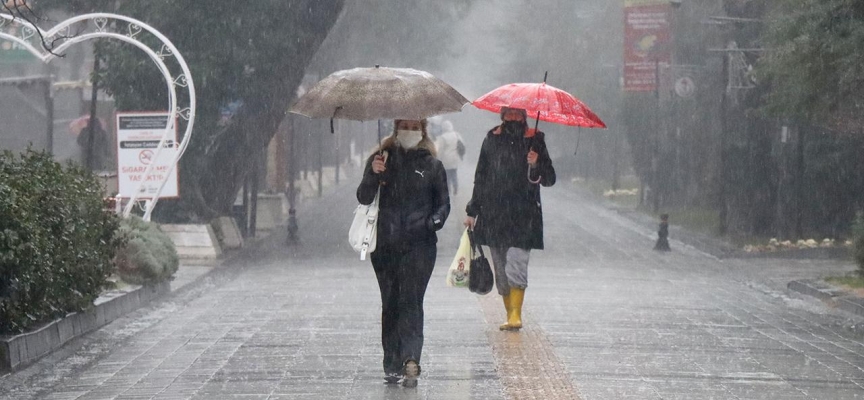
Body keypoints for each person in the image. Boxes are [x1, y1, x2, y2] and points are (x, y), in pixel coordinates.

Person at [356, 119, 450, 386]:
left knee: (411, 299)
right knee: (391, 302)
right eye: (404, 125)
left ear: (423, 129)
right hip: (385, 244)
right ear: (396, 128)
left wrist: (432, 222)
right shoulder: (381, 159)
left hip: (420, 246)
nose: (409, 130)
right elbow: (363, 196)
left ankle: (410, 358)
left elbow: (443, 204)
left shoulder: (432, 165)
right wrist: (373, 174)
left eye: (414, 125)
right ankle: (392, 362)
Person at [464, 107, 556, 331]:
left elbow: (549, 178)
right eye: (509, 113)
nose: (513, 118)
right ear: (502, 115)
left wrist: (536, 164)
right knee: (501, 268)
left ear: (524, 116)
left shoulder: (536, 139)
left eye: (518, 114)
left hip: (525, 215)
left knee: (516, 263)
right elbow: (481, 176)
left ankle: (516, 314)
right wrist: (472, 210)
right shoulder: (491, 138)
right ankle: (508, 313)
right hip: (494, 214)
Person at [434, 120, 466, 195]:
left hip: (446, 159)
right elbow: (462, 145)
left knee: (447, 175)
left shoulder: (442, 137)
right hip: (455, 158)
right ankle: (455, 188)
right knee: (454, 173)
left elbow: (440, 150)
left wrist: (438, 159)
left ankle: (449, 190)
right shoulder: (456, 135)